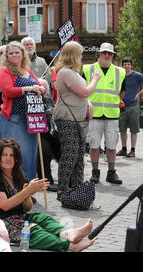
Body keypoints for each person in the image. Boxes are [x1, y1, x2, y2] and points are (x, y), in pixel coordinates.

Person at [0, 138, 98, 252]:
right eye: (4, 155)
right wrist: (26, 191)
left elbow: (27, 207)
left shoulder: (19, 174)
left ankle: (68, 234)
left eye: (12, 155)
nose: (8, 158)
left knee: (43, 218)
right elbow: (4, 206)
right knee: (34, 230)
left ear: (17, 158)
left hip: (18, 216)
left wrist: (29, 194)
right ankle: (70, 246)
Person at [53, 41, 101, 198]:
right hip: (67, 118)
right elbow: (85, 91)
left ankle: (77, 187)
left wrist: (88, 104)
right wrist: (95, 79)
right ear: (73, 55)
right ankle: (62, 189)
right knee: (70, 153)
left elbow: (78, 94)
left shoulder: (72, 72)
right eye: (79, 53)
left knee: (79, 154)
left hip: (78, 119)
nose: (81, 56)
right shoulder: (65, 72)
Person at [0, 41, 45, 181]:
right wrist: (28, 89)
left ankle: (28, 187)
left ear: (23, 54)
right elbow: (8, 91)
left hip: (30, 119)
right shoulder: (5, 70)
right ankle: (12, 186)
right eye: (11, 53)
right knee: (13, 155)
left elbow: (41, 87)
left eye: (17, 52)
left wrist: (40, 88)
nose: (14, 55)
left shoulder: (27, 70)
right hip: (13, 119)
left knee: (29, 154)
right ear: (6, 56)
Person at [83, 42, 125, 184]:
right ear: (99, 54)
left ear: (113, 55)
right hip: (93, 114)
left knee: (112, 145)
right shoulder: (88, 69)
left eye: (109, 53)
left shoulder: (120, 71)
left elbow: (122, 91)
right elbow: (82, 90)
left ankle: (111, 173)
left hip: (112, 114)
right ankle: (95, 173)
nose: (107, 55)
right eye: (104, 53)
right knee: (94, 145)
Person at [116, 57, 143, 158]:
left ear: (131, 65)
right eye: (124, 64)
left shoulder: (137, 75)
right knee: (122, 130)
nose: (126, 66)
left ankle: (133, 150)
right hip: (121, 106)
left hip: (133, 106)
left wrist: (139, 93)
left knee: (133, 130)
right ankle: (123, 149)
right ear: (122, 65)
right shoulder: (120, 75)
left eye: (128, 64)